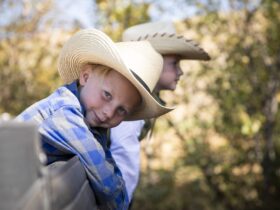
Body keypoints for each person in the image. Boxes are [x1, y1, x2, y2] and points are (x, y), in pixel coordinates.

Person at [15, 28, 172, 210]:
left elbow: (109, 166)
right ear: (85, 76)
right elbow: (110, 189)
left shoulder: (92, 124)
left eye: (121, 110)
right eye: (107, 95)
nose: (108, 113)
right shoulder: (65, 113)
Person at [109, 21, 211, 202]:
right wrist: (121, 201)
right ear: (152, 62)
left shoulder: (139, 97)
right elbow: (123, 153)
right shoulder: (131, 101)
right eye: (174, 64)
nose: (180, 72)